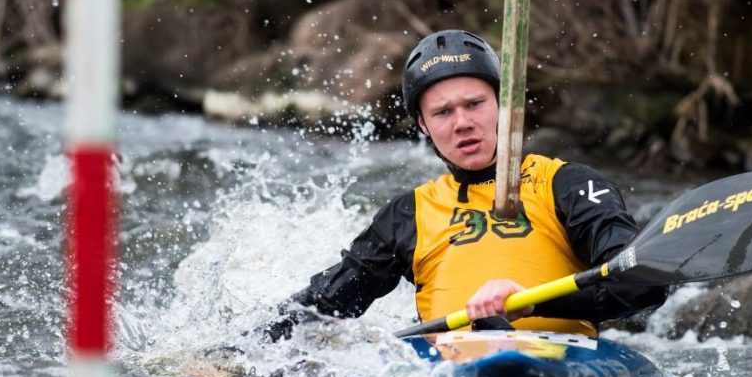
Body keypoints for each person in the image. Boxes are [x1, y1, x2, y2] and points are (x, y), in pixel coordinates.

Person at [262, 29, 667, 343]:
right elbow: (321, 307)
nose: (461, 123)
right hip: (449, 373)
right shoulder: (409, 214)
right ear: (422, 125)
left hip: (561, 360)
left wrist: (533, 302)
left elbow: (641, 284)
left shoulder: (567, 184)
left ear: (503, 106)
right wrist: (235, 355)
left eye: (474, 104)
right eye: (442, 112)